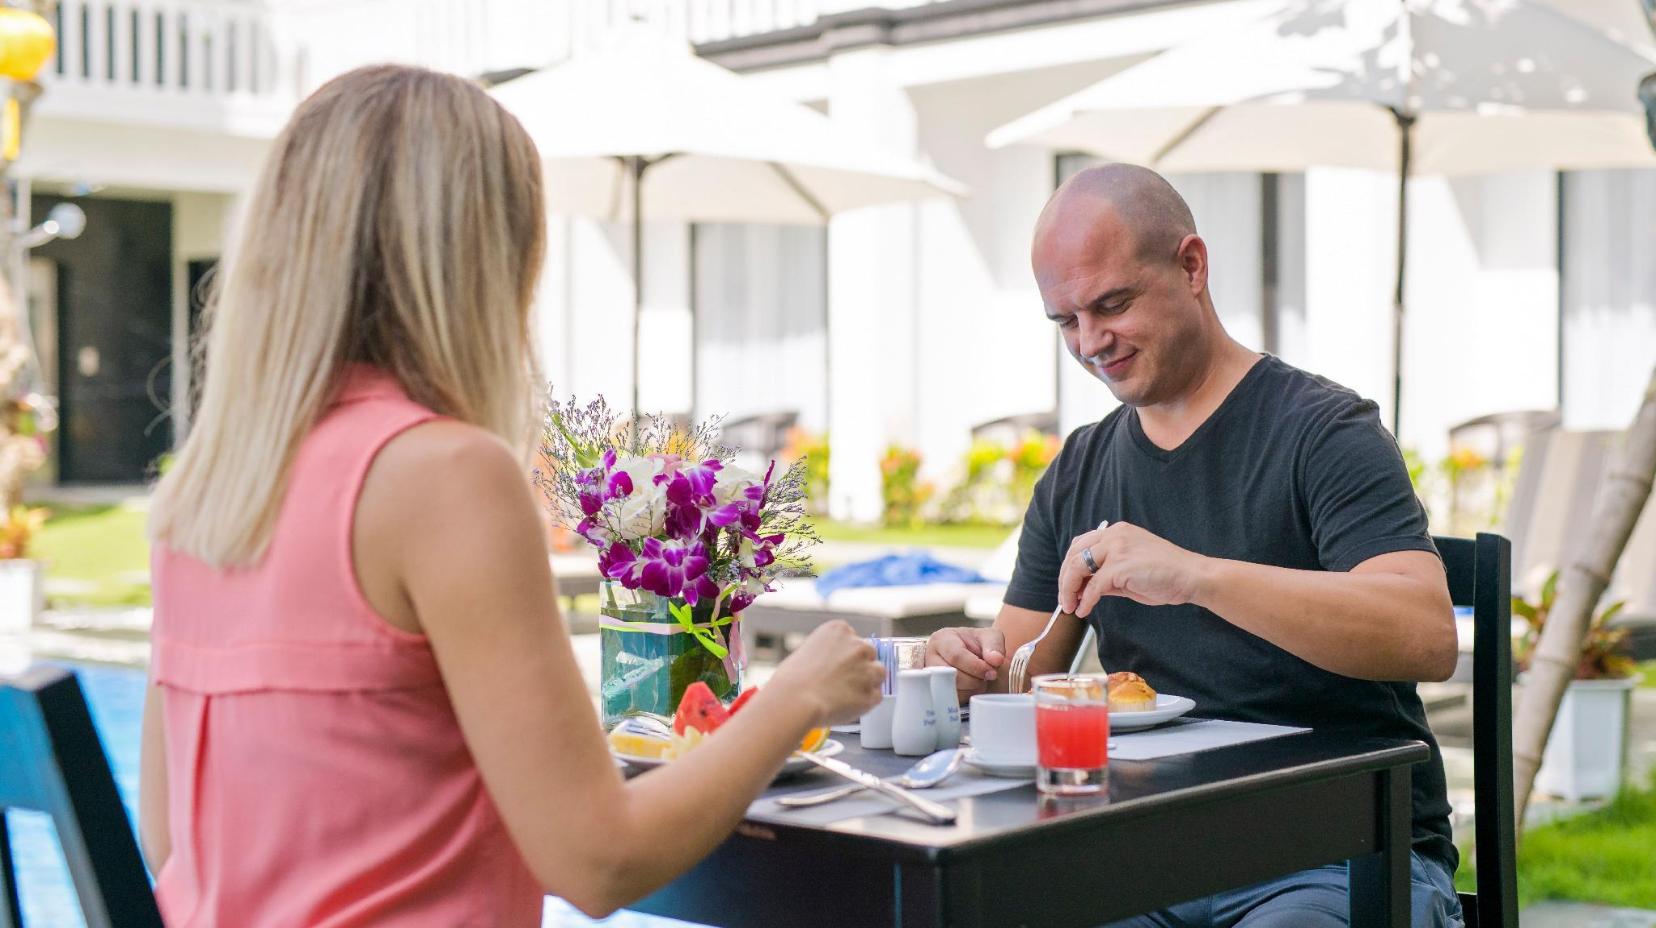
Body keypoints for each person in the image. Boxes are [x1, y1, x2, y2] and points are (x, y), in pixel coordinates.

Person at [139, 64, 884, 927]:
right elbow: (600, 862)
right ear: (488, 257)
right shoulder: (441, 477)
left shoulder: (201, 497)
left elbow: (169, 840)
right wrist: (799, 695)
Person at [925, 164, 1463, 927]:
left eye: (1111, 305)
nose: (1089, 342)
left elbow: (1425, 635)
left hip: (1340, 852)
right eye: (1066, 321)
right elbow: (1017, 668)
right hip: (1147, 851)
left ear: (1192, 265)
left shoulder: (1324, 430)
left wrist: (1197, 576)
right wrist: (965, 668)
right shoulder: (1080, 466)